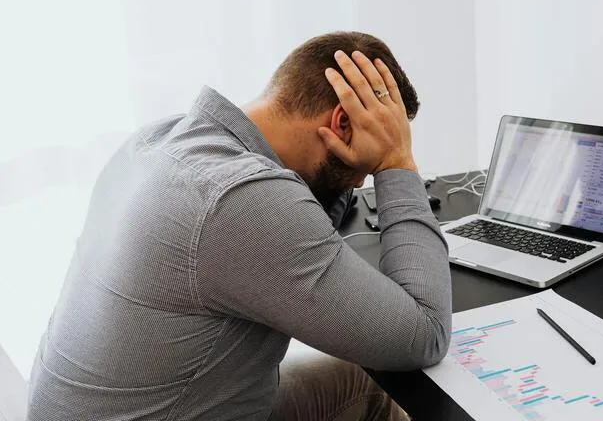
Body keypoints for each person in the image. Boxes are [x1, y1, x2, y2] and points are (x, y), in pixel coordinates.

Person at [27, 32, 453, 420]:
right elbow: (425, 334)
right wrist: (397, 162)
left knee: (362, 385)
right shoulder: (238, 199)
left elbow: (307, 211)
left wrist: (354, 164)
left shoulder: (162, 140)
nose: (362, 181)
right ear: (341, 123)